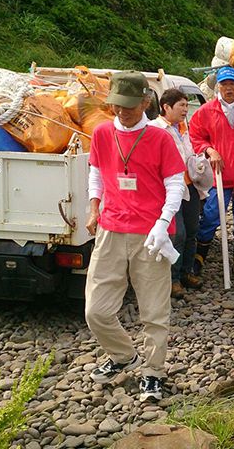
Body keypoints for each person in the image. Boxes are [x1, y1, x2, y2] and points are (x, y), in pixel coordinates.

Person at [85, 71, 185, 401]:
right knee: (95, 310)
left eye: (129, 106)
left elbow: (175, 184)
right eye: (117, 105)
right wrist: (93, 208)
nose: (122, 112)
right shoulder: (101, 133)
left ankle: (153, 372)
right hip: (111, 229)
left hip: (151, 233)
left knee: (154, 311)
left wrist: (163, 221)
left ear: (146, 102)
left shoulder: (160, 138)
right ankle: (123, 355)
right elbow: (96, 174)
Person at [189, 66, 234, 281]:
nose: (228, 88)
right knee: (210, 217)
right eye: (224, 84)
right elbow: (195, 137)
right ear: (218, 86)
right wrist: (210, 150)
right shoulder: (206, 111)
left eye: (232, 84)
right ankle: (199, 259)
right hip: (218, 176)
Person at [151, 89, 202, 298]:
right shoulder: (154, 129)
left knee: (192, 230)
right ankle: (171, 280)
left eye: (186, 105)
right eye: (181, 105)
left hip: (190, 185)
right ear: (166, 107)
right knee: (176, 232)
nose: (185, 109)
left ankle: (185, 272)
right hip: (169, 189)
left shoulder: (184, 127)